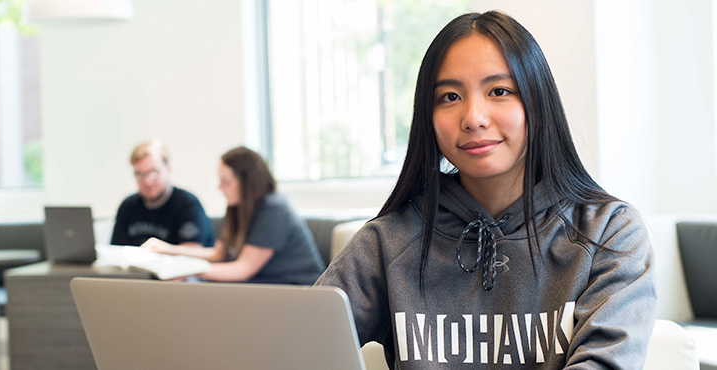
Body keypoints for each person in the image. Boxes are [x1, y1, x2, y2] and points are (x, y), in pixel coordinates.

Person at [316, 11, 656, 369]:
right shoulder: (387, 242)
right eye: (449, 96)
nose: (473, 117)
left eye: (499, 91)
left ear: (537, 104)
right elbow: (296, 347)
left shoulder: (609, 233)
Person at [142, 146, 325, 285]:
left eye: (226, 181)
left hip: (297, 291)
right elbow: (218, 254)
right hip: (260, 287)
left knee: (193, 283)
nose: (219, 187)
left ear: (248, 183)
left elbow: (243, 269)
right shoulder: (237, 207)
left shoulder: (274, 208)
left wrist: (189, 269)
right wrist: (167, 249)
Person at [111, 139, 215, 247]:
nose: (147, 181)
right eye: (140, 174)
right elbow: (117, 249)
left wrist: (160, 249)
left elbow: (195, 251)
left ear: (168, 169)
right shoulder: (128, 206)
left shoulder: (187, 204)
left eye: (153, 172)